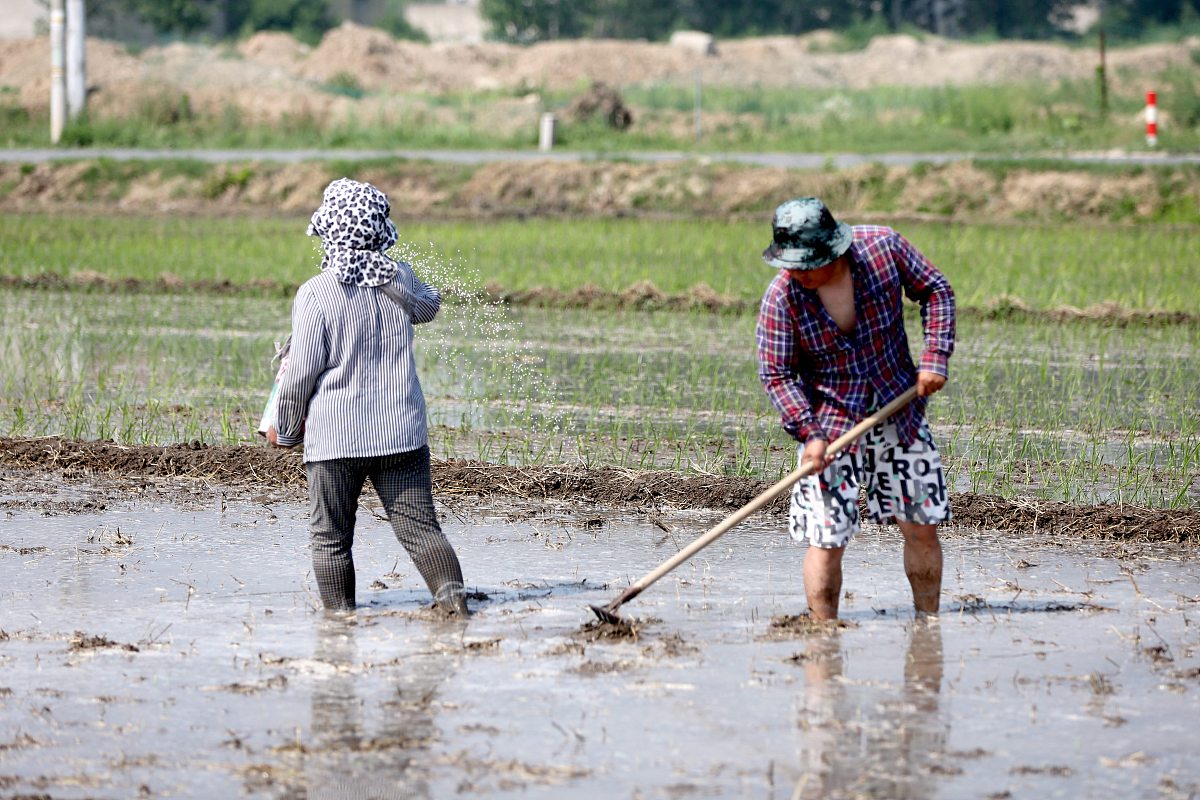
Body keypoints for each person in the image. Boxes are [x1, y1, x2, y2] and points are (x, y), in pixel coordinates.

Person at [268, 177, 468, 616]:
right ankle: (456, 611)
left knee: (331, 537)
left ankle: (340, 626)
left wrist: (285, 430)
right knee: (421, 530)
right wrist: (397, 278)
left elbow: (300, 375)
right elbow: (428, 306)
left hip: (335, 440)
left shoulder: (316, 294)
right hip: (401, 435)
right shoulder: (400, 280)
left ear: (328, 231)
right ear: (378, 231)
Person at [755, 197, 955, 620]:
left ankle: (928, 626)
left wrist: (935, 357)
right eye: (790, 265)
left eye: (807, 265)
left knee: (921, 525)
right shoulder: (783, 298)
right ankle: (822, 634)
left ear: (834, 251)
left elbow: (936, 289)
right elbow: (777, 374)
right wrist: (809, 433)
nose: (798, 275)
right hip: (829, 426)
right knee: (826, 539)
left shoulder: (883, 249)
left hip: (899, 409)